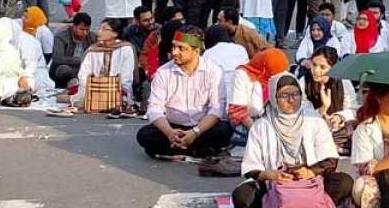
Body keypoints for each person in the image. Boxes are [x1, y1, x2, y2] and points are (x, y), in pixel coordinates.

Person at [231, 72, 353, 208]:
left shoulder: (314, 121)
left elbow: (330, 159)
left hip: (310, 181)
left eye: (296, 94)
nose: (291, 100)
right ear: (274, 98)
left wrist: (310, 172)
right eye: (284, 96)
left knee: (344, 182)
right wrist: (273, 175)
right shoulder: (261, 126)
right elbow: (252, 168)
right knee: (241, 195)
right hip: (276, 182)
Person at [137, 26, 233, 158]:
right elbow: (154, 109)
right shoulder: (163, 72)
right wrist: (170, 133)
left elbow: (217, 110)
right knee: (144, 135)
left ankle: (181, 148)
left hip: (202, 127)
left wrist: (195, 132)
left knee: (224, 130)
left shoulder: (213, 71)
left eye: (181, 48)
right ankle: (195, 149)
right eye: (174, 47)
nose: (174, 52)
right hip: (172, 126)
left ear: (196, 51)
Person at [71, 18, 137, 113]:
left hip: (117, 89)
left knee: (121, 99)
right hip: (93, 90)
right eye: (99, 29)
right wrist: (95, 88)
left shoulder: (126, 48)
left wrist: (109, 88)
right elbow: (83, 74)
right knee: (81, 98)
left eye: (104, 29)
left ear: (115, 33)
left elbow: (126, 77)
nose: (99, 32)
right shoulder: (93, 49)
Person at [300, 46, 357, 152]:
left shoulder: (343, 82)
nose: (316, 70)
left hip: (338, 130)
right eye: (314, 64)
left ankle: (331, 146)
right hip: (313, 127)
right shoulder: (304, 82)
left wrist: (340, 117)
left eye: (322, 67)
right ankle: (333, 147)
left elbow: (352, 109)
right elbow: (301, 112)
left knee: (356, 129)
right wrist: (323, 110)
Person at [229, 48, 290, 133]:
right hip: (248, 124)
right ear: (264, 69)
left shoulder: (279, 75)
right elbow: (239, 113)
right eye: (273, 76)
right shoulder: (241, 76)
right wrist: (258, 134)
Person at [49, 12, 93, 89]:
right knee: (63, 70)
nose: (85, 33)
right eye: (82, 29)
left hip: (84, 68)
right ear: (74, 26)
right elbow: (57, 58)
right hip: (68, 68)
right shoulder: (61, 37)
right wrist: (79, 61)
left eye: (87, 30)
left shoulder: (92, 36)